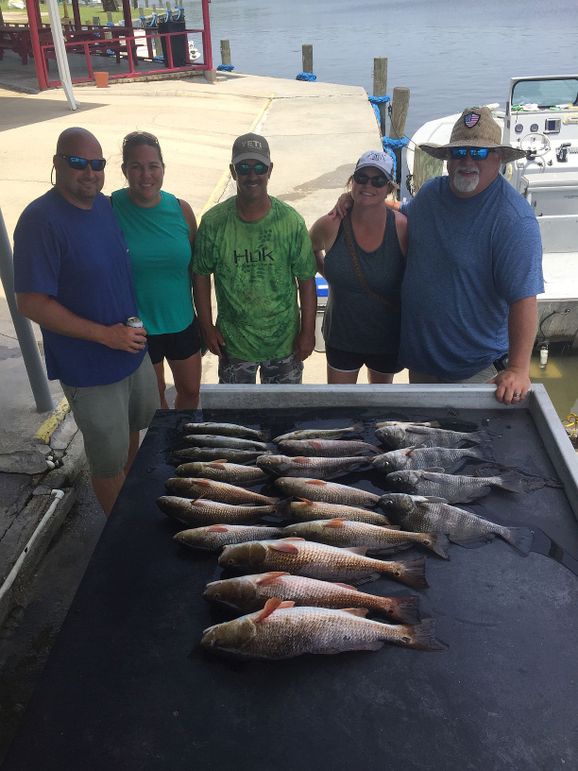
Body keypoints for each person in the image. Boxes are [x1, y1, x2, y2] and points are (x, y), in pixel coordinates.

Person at [13, 127, 159, 515]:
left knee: (134, 432)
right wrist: (105, 336)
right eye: (78, 163)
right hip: (90, 369)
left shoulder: (106, 207)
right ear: (57, 163)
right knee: (107, 462)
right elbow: (30, 302)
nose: (90, 172)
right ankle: (121, 534)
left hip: (131, 351)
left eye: (97, 163)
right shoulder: (40, 220)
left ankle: (130, 506)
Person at [400, 106, 543, 405]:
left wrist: (519, 369)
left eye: (478, 152)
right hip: (422, 364)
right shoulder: (430, 194)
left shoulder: (513, 220)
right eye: (459, 152)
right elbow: (401, 220)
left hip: (475, 373)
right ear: (448, 159)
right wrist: (359, 203)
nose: (467, 161)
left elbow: (524, 299)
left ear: (498, 158)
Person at [192, 132, 317, 384]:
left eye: (259, 167)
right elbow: (201, 275)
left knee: (284, 409)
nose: (252, 175)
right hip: (234, 344)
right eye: (243, 167)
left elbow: (306, 280)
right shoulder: (214, 222)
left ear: (270, 170)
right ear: (232, 171)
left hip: (285, 343)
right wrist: (206, 326)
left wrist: (307, 331)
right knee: (236, 409)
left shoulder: (291, 221)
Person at [111, 131, 201, 409]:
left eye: (153, 166)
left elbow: (196, 271)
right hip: (137, 329)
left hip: (181, 321)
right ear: (124, 170)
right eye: (136, 167)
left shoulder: (181, 209)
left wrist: (205, 322)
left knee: (190, 391)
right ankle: (162, 438)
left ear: (163, 168)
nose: (145, 175)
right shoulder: (109, 208)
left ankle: (183, 437)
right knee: (154, 398)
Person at [310, 150, 407, 384]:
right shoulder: (331, 224)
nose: (368, 185)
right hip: (341, 336)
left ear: (389, 187)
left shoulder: (402, 228)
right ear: (352, 182)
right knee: (339, 403)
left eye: (378, 180)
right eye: (362, 178)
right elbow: (308, 250)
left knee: (379, 404)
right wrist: (331, 274)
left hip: (386, 338)